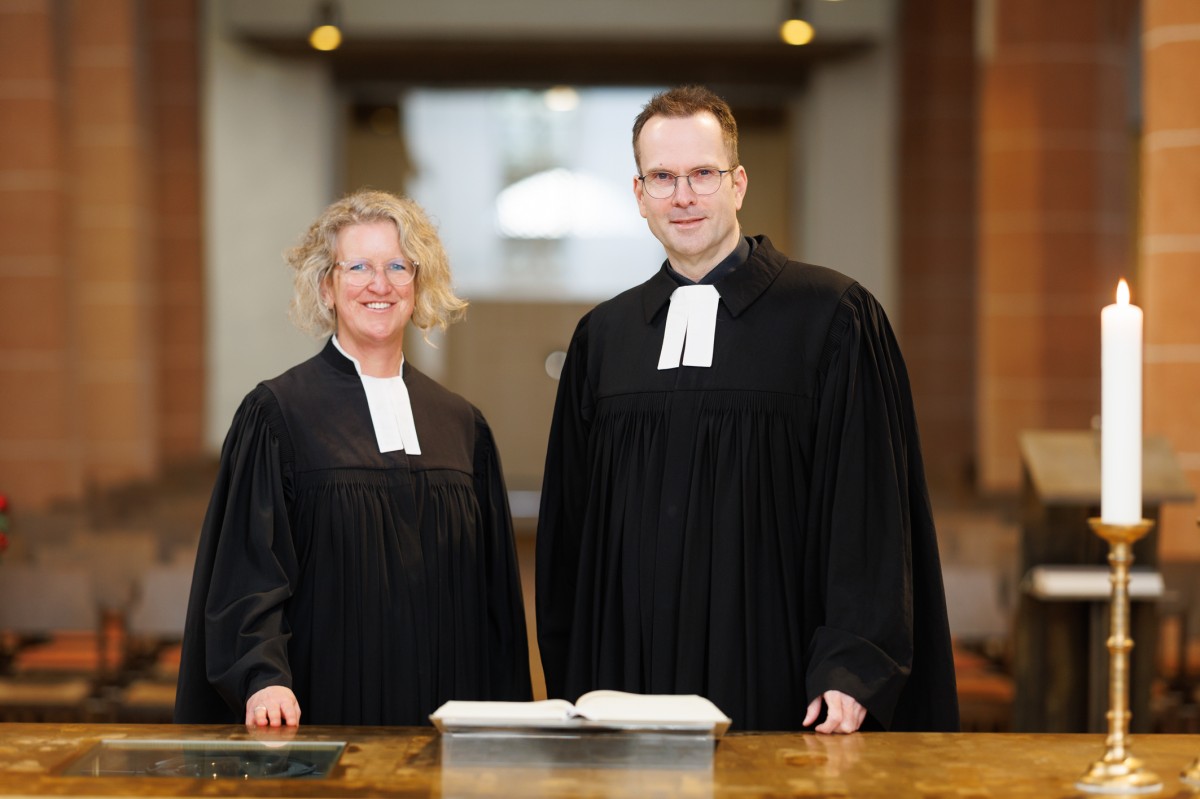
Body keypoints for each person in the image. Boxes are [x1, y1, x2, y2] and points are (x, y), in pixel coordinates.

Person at [536, 86, 958, 733]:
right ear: (639, 193)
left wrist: (851, 664)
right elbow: (570, 532)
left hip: (779, 679)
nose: (683, 195)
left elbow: (869, 507)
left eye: (702, 174)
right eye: (664, 177)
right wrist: (576, 675)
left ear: (738, 183)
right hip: (628, 680)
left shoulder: (830, 319)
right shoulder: (606, 338)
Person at [176, 189, 531, 727]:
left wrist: (504, 720)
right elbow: (248, 569)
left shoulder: (460, 424)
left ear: (418, 281)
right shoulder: (278, 415)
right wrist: (263, 679)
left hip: (448, 709)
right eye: (358, 266)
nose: (379, 284)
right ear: (327, 285)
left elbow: (494, 600)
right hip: (324, 705)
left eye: (397, 266)